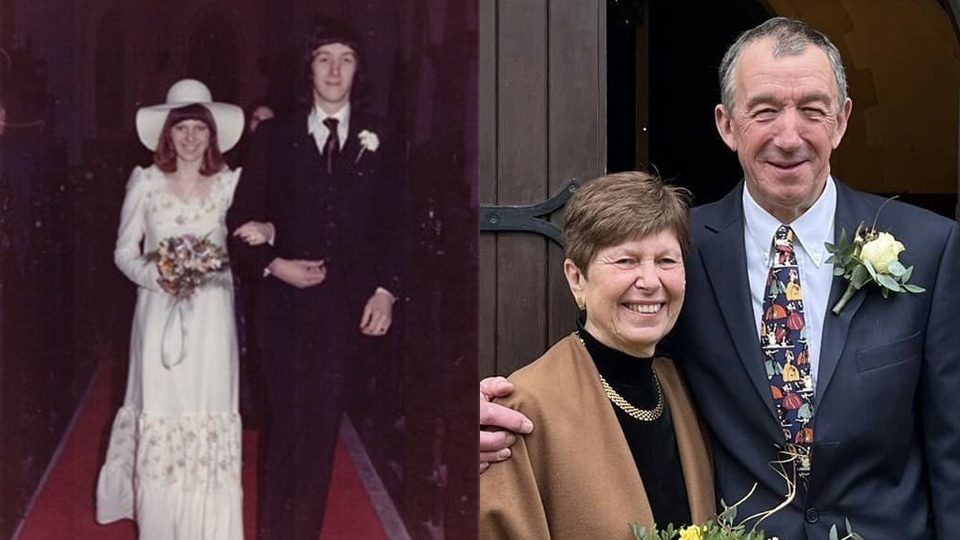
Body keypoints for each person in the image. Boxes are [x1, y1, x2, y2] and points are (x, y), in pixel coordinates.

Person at [480, 17, 960, 540]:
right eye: (765, 111)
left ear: (842, 120)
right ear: (727, 124)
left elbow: (951, 444)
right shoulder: (678, 253)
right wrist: (479, 416)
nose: (788, 135)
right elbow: (611, 353)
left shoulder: (932, 248)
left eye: (812, 110)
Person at [227, 19, 403, 540]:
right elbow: (240, 221)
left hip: (344, 310)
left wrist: (386, 290)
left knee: (322, 430)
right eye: (323, 57)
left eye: (345, 58)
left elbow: (397, 221)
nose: (333, 69)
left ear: (358, 70)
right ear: (308, 68)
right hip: (281, 307)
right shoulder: (275, 137)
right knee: (285, 428)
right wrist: (273, 264)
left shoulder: (383, 138)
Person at [479, 172, 715, 539]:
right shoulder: (523, 407)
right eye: (626, 261)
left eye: (666, 260)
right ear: (577, 278)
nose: (651, 281)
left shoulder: (682, 387)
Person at [95, 78, 262, 539]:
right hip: (156, 314)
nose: (190, 138)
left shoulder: (231, 185)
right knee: (162, 412)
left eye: (200, 129)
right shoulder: (145, 182)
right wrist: (157, 275)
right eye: (181, 128)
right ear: (167, 134)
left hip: (212, 319)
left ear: (213, 136)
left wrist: (263, 230)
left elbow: (251, 238)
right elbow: (124, 252)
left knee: (208, 409)